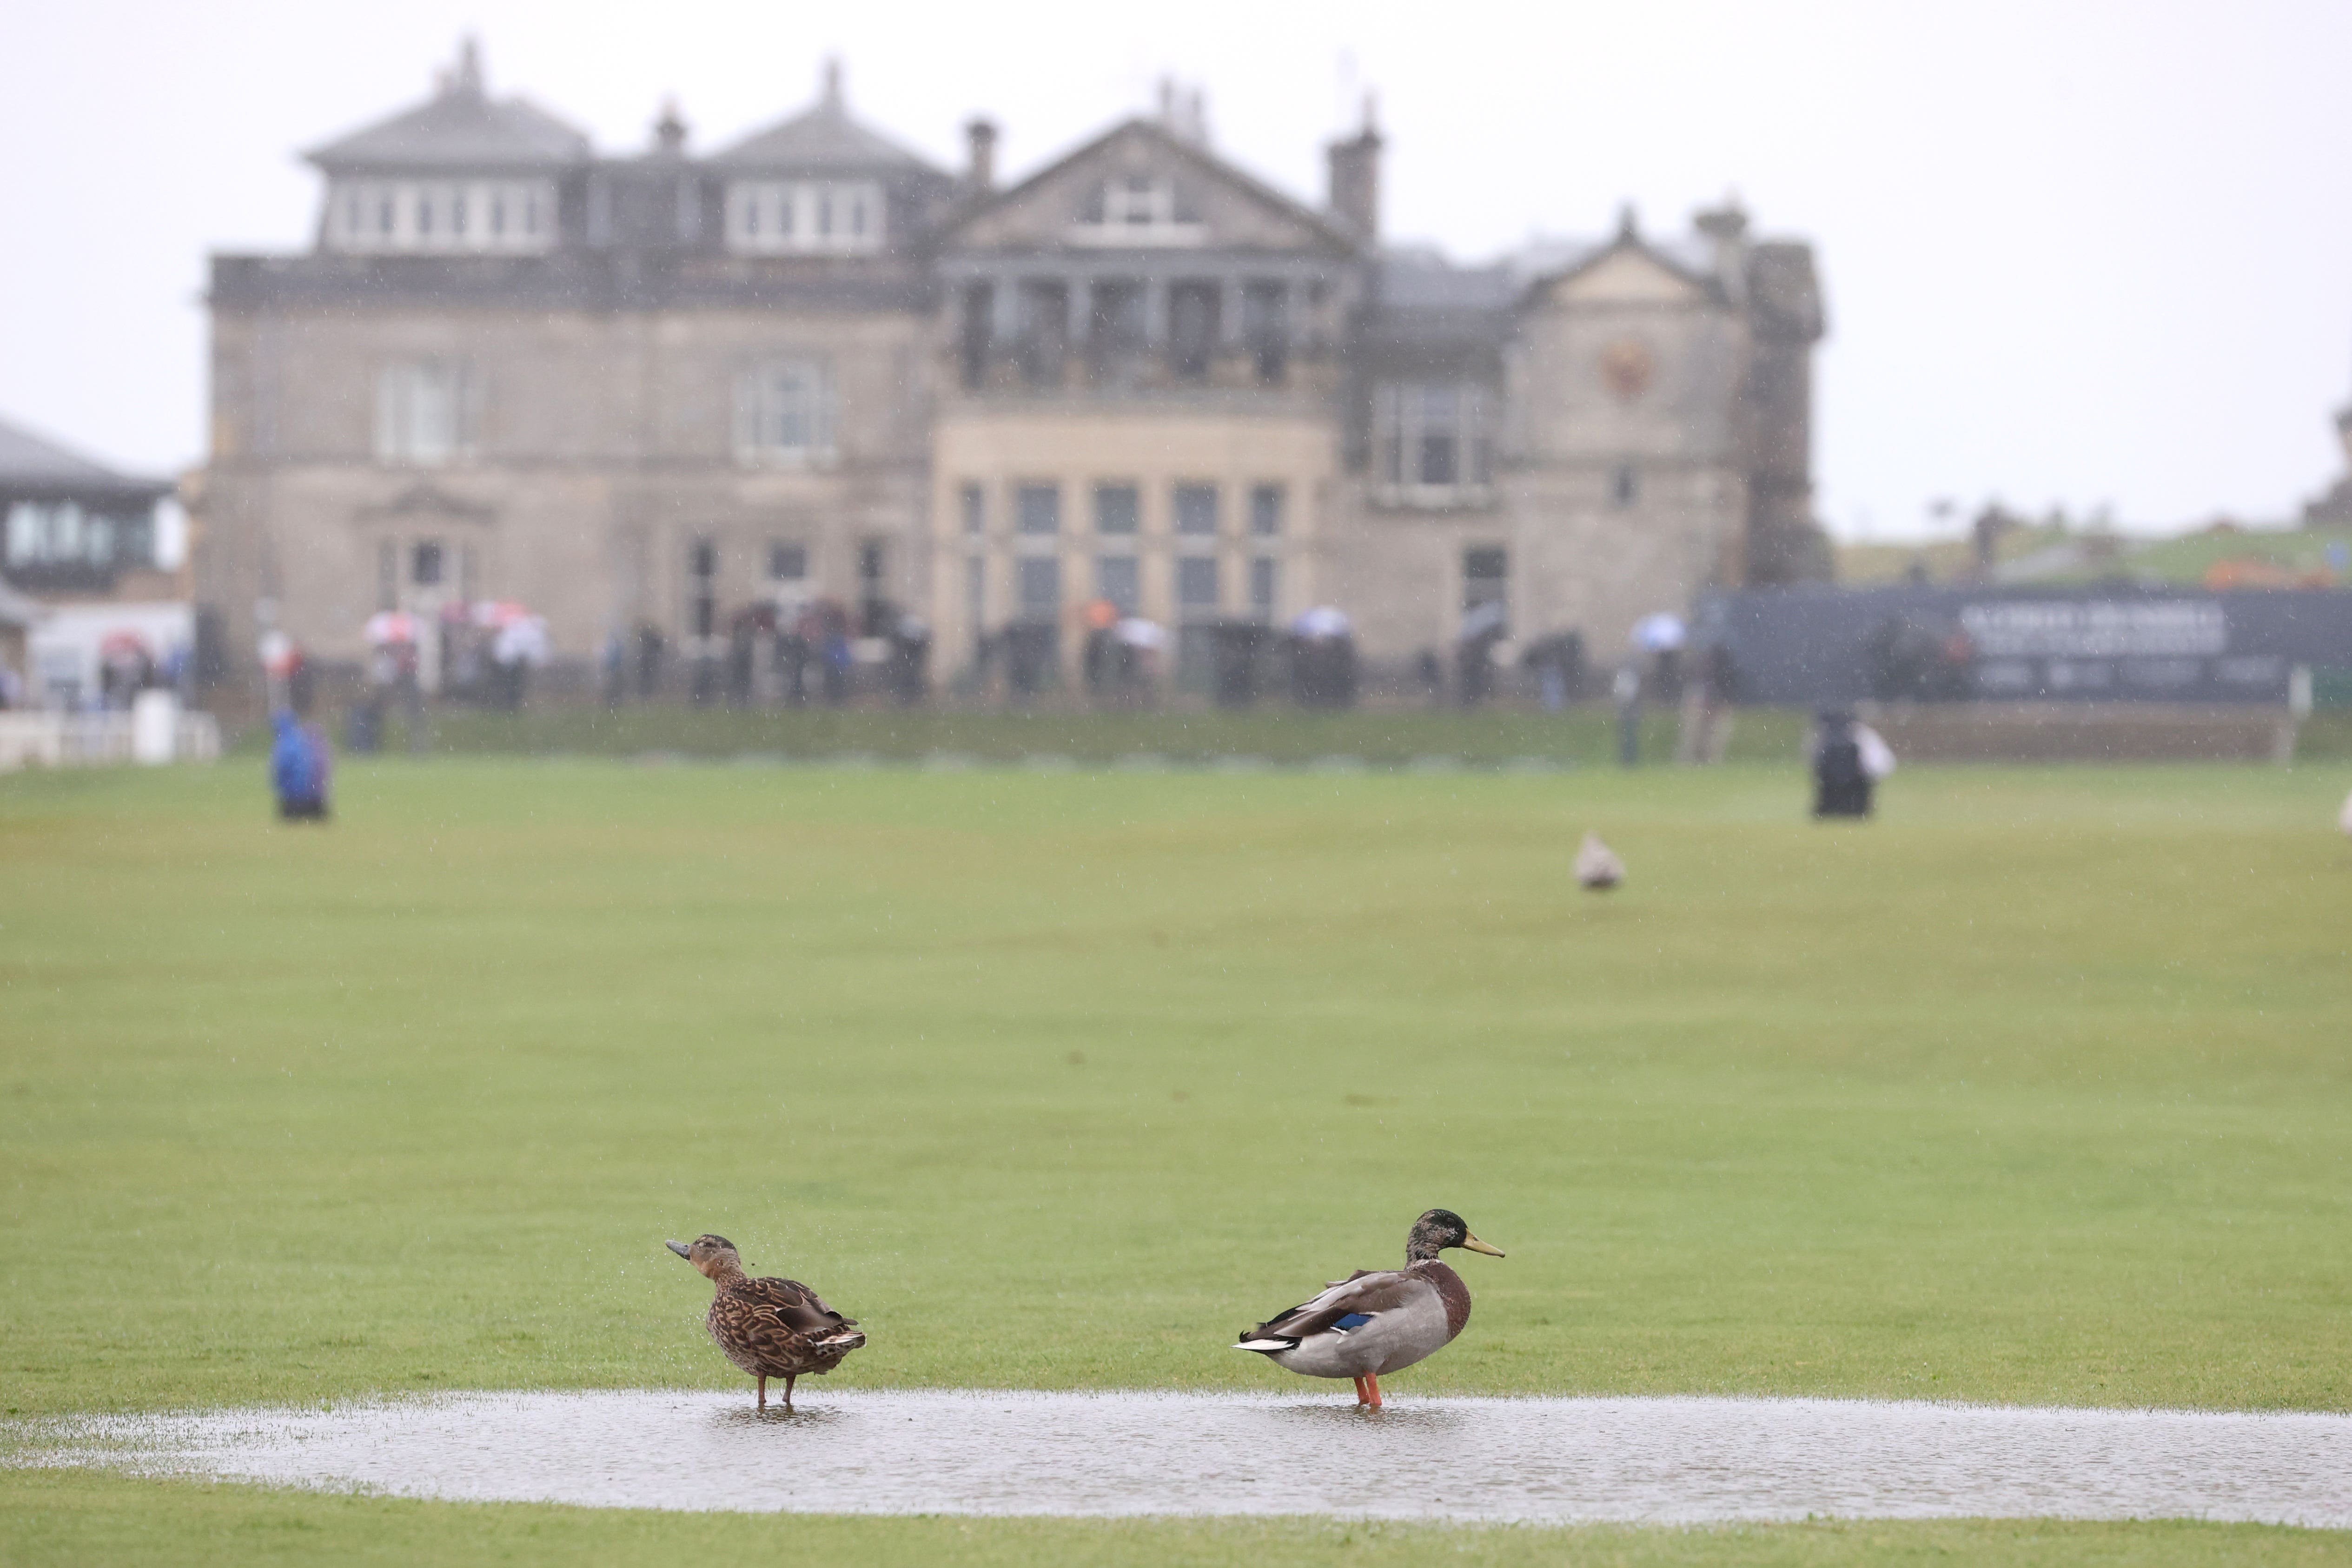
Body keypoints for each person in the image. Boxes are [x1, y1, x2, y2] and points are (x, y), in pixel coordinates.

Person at [1812, 709, 1878, 819]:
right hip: (1855, 796)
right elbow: (1878, 765)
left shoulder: (1825, 736)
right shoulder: (1862, 735)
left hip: (1833, 792)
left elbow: (1816, 762)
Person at [270, 711, 331, 822]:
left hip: (294, 796)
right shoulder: (301, 742)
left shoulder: (287, 744)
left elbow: (282, 770)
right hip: (313, 796)